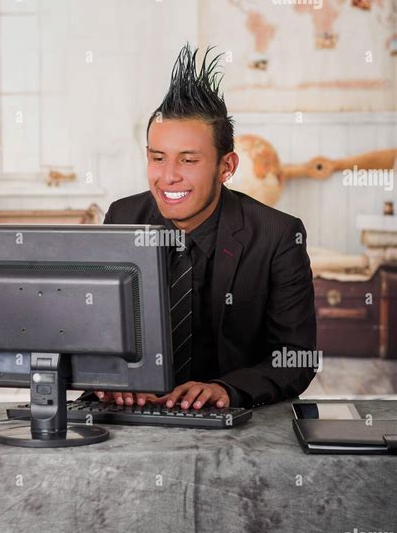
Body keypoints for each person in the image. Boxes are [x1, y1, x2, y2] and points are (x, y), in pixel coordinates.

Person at [94, 44, 316, 411]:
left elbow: (297, 359)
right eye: (157, 158)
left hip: (232, 417)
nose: (168, 177)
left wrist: (226, 389)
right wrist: (115, 383)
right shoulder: (122, 217)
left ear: (226, 167)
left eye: (189, 160)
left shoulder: (278, 236)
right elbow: (99, 333)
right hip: (133, 410)